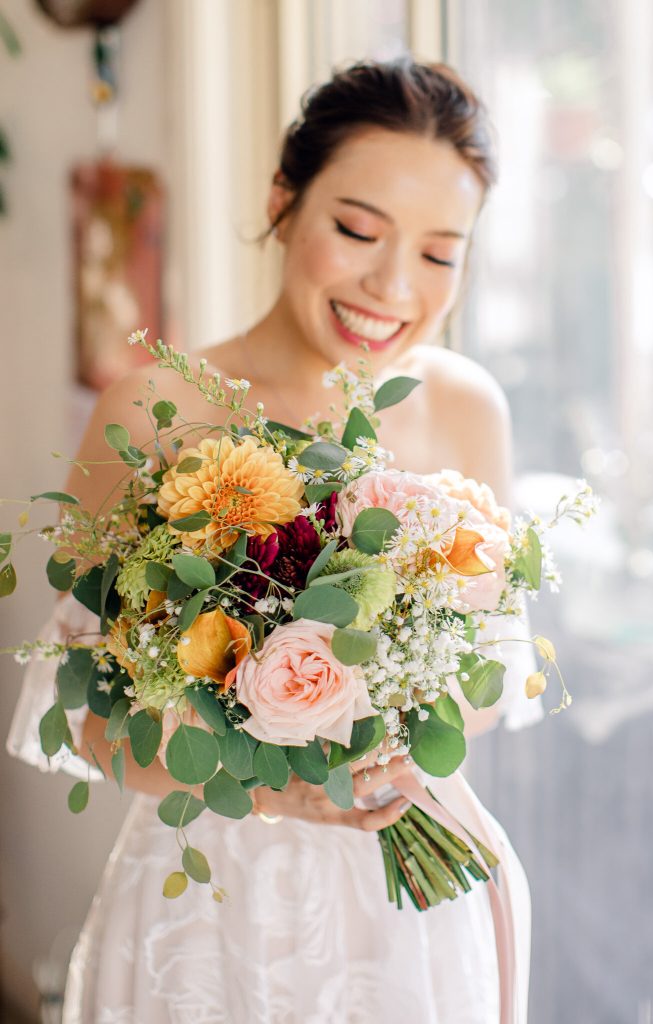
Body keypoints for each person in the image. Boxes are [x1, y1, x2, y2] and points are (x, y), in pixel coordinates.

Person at [8, 56, 542, 1022]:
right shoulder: (158, 410)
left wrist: (402, 737)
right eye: (356, 229)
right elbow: (90, 722)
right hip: (209, 906)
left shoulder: (468, 409)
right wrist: (268, 788)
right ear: (284, 202)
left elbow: (492, 679)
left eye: (438, 252)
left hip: (411, 904)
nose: (391, 285)